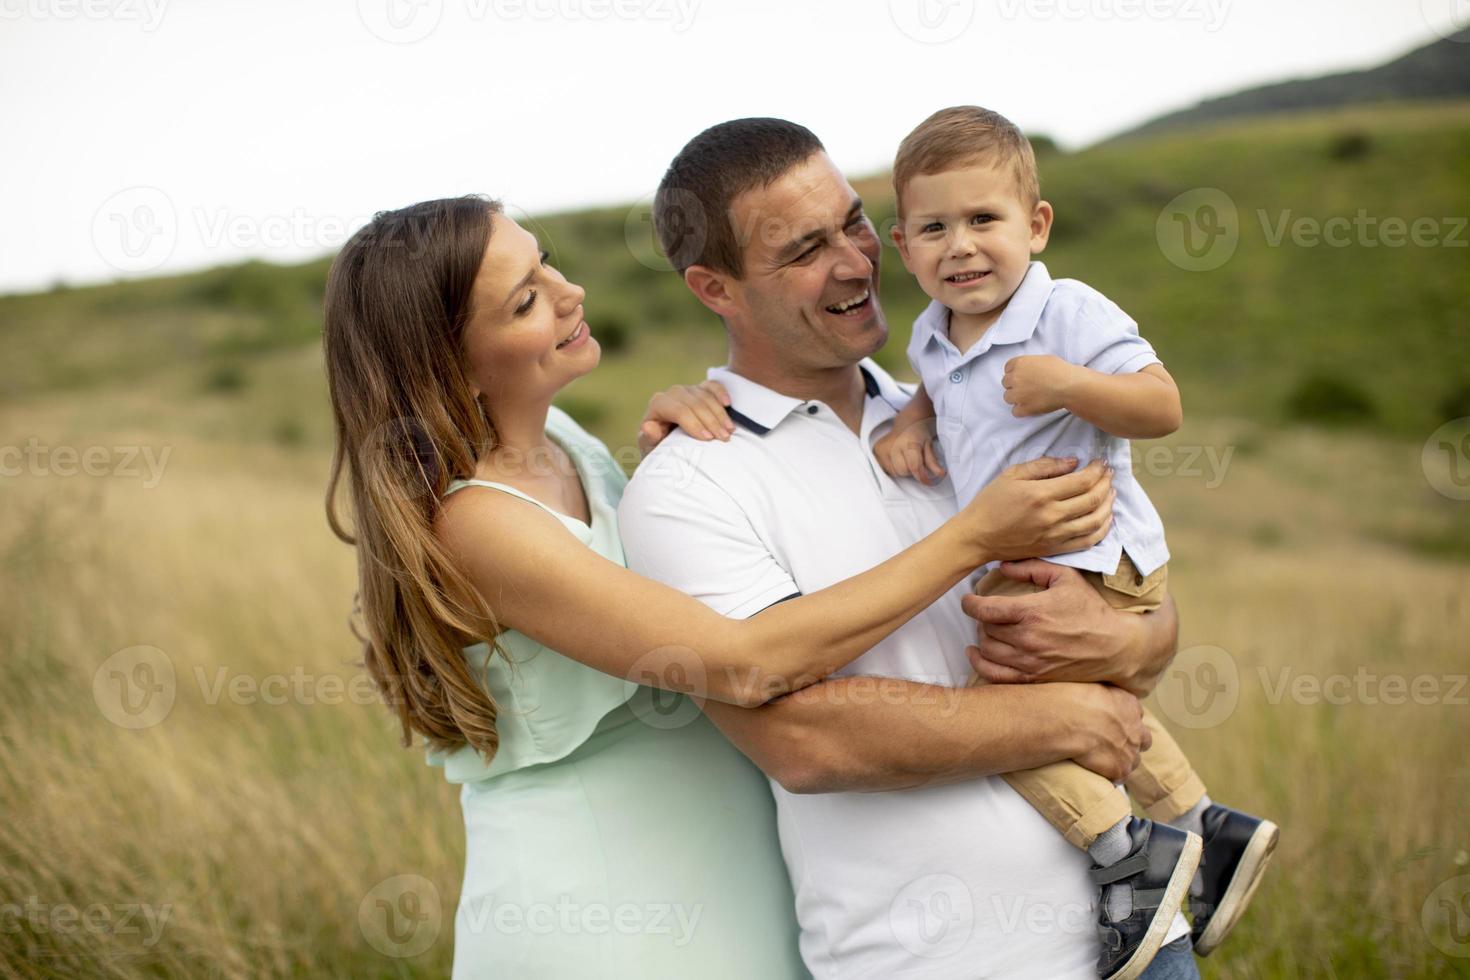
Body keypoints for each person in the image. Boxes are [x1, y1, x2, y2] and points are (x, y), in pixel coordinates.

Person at [320, 194, 1118, 977]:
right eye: (528, 300)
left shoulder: (560, 439)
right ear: (447, 362)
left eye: (547, 265)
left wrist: (667, 430)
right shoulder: (477, 524)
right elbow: (744, 662)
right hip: (602, 905)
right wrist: (974, 536)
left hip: (722, 873)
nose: (571, 294)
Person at [618, 117, 1196, 979]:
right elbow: (809, 744)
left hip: (1146, 946)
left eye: (854, 222)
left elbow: (1133, 596)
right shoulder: (688, 485)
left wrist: (1135, 642)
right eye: (805, 249)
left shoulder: (965, 408)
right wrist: (1060, 710)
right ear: (715, 287)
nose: (855, 262)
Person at [873, 105, 1279, 977]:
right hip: (1038, 568)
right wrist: (911, 420)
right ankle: (1208, 824)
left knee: (1008, 720)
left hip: (1095, 553)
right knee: (1076, 705)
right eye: (935, 228)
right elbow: (936, 390)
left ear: (1036, 224)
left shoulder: (1066, 310)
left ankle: (1128, 850)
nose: (962, 246)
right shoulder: (932, 333)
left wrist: (1070, 383)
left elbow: (1161, 406)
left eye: (985, 220)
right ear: (903, 247)